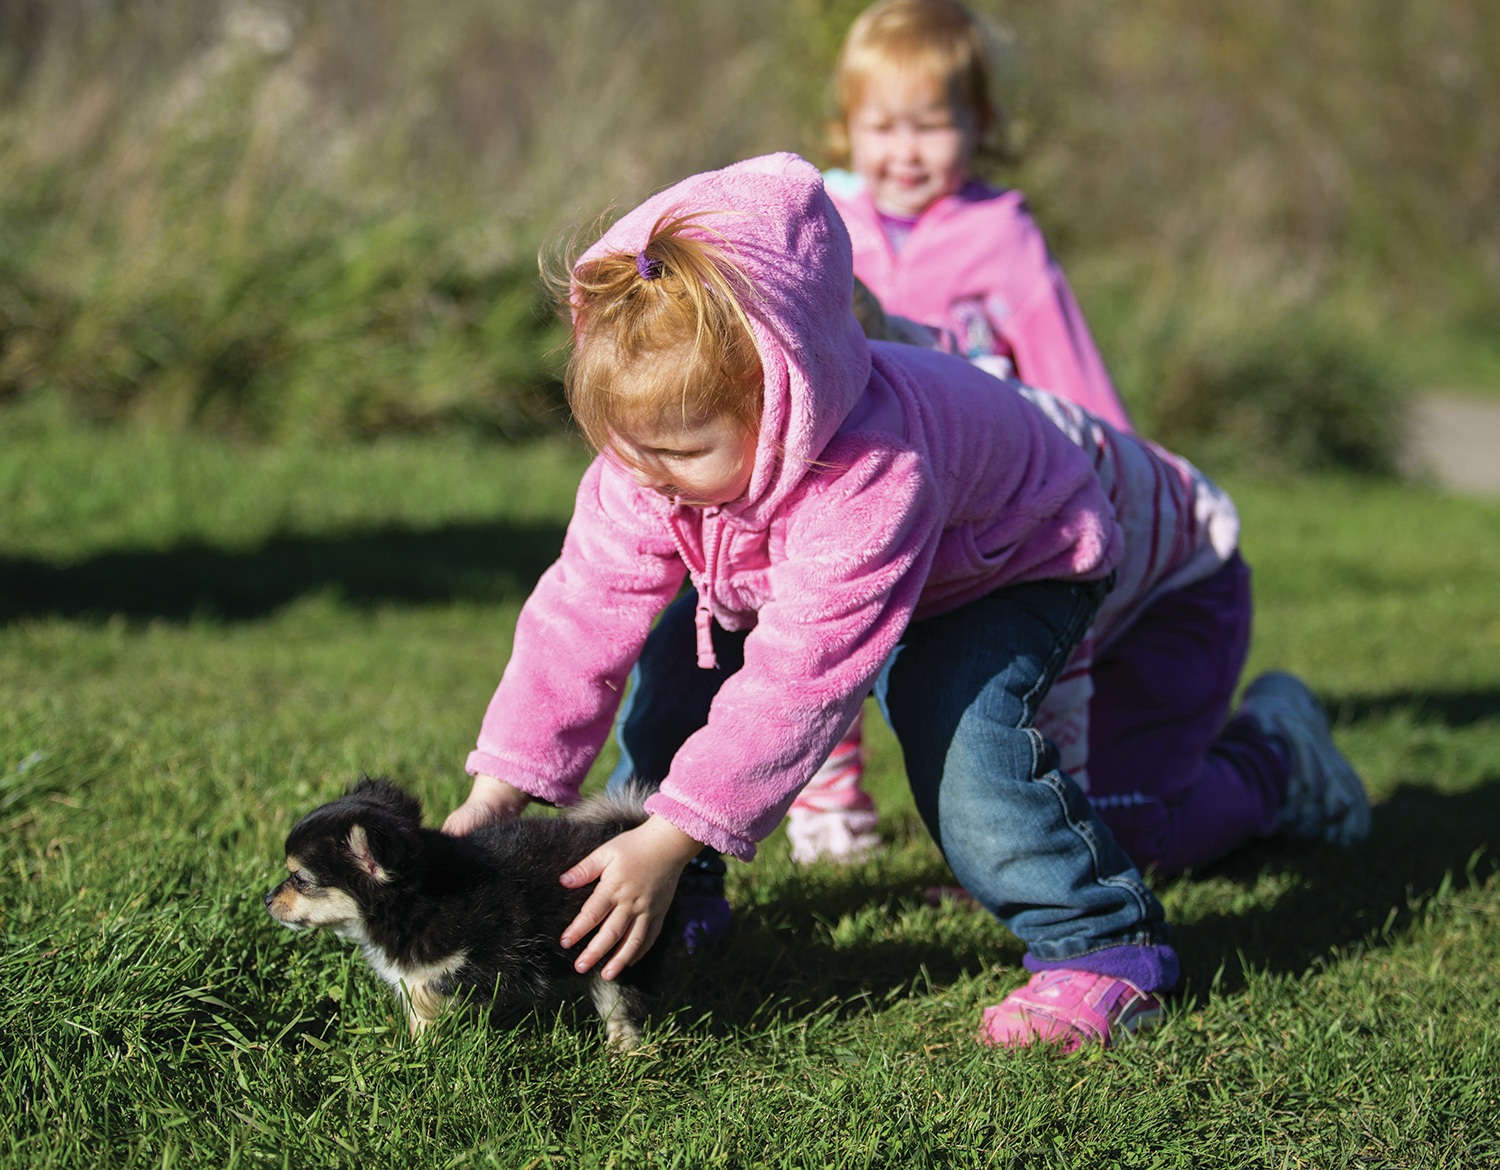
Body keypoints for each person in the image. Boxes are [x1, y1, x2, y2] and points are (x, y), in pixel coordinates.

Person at [445, 153, 1367, 1050]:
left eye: (683, 453)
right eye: (624, 445)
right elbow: (580, 611)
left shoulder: (868, 473)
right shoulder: (649, 470)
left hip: (1019, 558)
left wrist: (673, 833)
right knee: (681, 666)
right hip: (868, 565)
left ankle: (1105, 945)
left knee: (961, 736)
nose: (651, 478)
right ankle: (681, 902)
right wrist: (503, 790)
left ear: (787, 402)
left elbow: (801, 680)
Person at [792, 0, 1135, 860]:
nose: (903, 151)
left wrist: (1116, 471)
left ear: (978, 124)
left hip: (982, 498)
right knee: (824, 624)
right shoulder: (827, 220)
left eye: (930, 126)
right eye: (881, 126)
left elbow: (1069, 374)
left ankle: (1027, 818)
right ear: (846, 127)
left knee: (979, 674)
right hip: (857, 473)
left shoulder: (1002, 238)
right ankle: (829, 801)